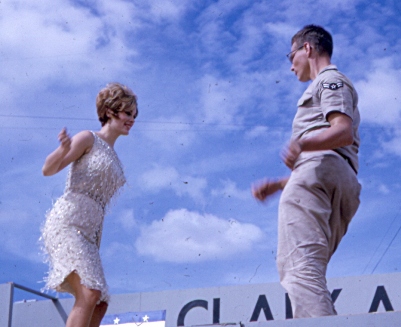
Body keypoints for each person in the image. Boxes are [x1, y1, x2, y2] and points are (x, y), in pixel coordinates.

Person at [252, 25, 361, 318]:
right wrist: (281, 184)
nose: (290, 66)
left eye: (291, 56)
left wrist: (302, 144)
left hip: (320, 173)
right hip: (341, 180)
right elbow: (331, 159)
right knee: (311, 274)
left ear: (307, 49)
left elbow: (342, 131)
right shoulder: (333, 83)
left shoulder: (329, 80)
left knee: (300, 271)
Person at [41, 82, 138, 327]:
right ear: (110, 111)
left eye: (134, 115)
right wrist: (61, 149)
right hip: (67, 224)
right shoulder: (88, 138)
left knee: (100, 302)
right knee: (89, 293)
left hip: (90, 234)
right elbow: (48, 169)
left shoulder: (116, 159)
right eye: (127, 113)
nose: (132, 119)